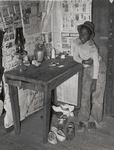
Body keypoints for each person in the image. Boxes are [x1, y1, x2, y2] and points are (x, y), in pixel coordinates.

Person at [72, 21, 106, 131]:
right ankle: (83, 120)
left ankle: (95, 120)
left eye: (85, 34)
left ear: (90, 36)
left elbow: (96, 64)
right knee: (85, 95)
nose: (82, 36)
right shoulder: (78, 43)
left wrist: (95, 82)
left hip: (98, 69)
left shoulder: (92, 47)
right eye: (81, 33)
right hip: (87, 68)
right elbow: (75, 57)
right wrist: (84, 61)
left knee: (97, 97)